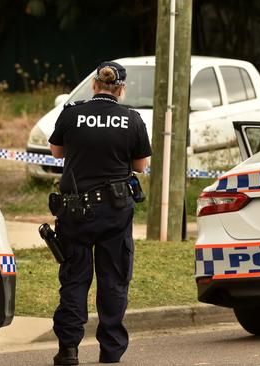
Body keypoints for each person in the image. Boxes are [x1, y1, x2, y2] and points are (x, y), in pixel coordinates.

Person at [48, 61, 151, 364]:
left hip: (75, 212)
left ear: (94, 85)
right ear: (121, 89)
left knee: (74, 280)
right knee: (113, 280)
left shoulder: (72, 113)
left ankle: (68, 349)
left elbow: (56, 152)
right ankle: (111, 350)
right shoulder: (131, 119)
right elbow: (140, 165)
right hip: (114, 212)